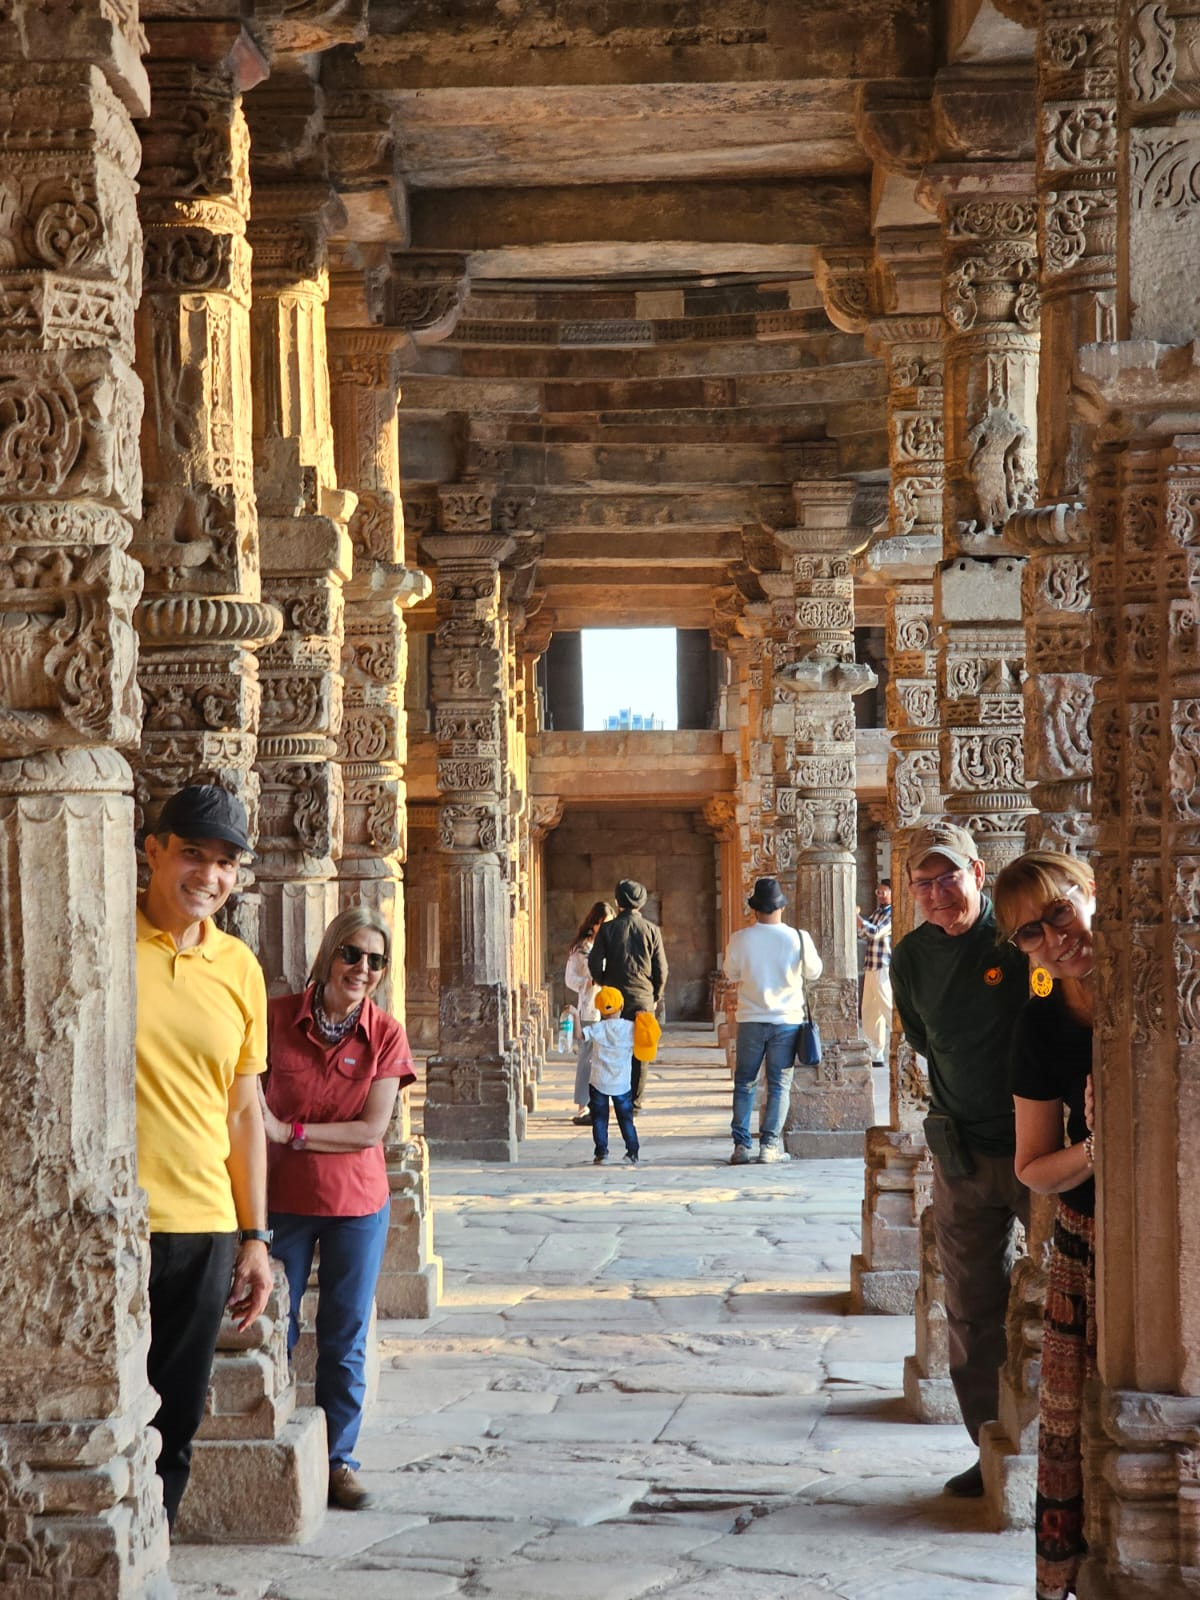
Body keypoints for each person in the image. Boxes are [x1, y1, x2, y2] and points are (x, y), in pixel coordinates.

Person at [135, 784, 274, 1530]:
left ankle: (151, 1552)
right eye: (193, 853)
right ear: (153, 851)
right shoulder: (102, 942)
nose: (209, 876)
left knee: (176, 1420)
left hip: (204, 1227)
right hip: (104, 1223)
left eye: (225, 862)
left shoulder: (238, 968)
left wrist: (256, 1237)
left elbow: (244, 1111)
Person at [258, 906, 416, 1511]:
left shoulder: (385, 1033)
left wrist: (290, 1132)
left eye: (375, 960)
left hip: (355, 1201)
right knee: (275, 1317)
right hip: (283, 1199)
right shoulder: (275, 1020)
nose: (363, 968)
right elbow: (251, 1104)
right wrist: (273, 1133)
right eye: (352, 954)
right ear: (329, 955)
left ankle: (337, 1461)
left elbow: (370, 1130)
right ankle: (277, 1432)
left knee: (344, 1332)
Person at [890, 820, 1031, 1497]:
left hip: (1042, 1146)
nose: (940, 892)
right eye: (926, 882)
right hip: (961, 1154)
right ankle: (990, 1443)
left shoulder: (1015, 938)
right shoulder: (911, 957)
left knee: (1073, 1294)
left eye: (951, 877)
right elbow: (923, 1037)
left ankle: (1064, 1446)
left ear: (979, 874)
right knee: (971, 1308)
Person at [994, 851, 1096, 1600]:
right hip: (1089, 1248)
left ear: (1092, 892)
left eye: (1060, 911)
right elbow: (1034, 1166)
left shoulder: (1167, 982)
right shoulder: (1042, 1025)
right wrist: (1098, 1147)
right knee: (1081, 1442)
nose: (1054, 938)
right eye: (1031, 933)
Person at [722, 875, 823, 1166]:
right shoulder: (798, 937)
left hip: (751, 1018)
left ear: (755, 909)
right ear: (781, 907)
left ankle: (741, 1146)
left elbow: (732, 973)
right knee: (779, 1084)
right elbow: (814, 972)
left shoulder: (740, 939)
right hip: (787, 1020)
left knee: (745, 1083)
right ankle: (769, 1146)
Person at [588, 878, 668, 1109]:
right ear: (641, 904)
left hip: (615, 998)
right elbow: (661, 968)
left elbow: (594, 961)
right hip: (643, 997)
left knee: (612, 1047)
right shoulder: (652, 930)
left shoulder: (608, 929)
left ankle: (612, 1095)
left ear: (618, 901)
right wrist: (655, 995)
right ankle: (634, 1102)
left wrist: (604, 982)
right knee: (640, 1050)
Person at [565, 900, 614, 1125]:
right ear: (594, 924)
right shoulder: (582, 949)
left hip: (611, 1009)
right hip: (590, 1009)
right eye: (603, 924)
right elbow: (570, 979)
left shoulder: (611, 945)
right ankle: (582, 1105)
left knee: (606, 1058)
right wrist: (589, 981)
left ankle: (603, 1102)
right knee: (587, 1060)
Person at [584, 986, 639, 1165]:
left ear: (599, 1009)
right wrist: (643, 1018)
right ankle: (632, 1152)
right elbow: (649, 1037)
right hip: (622, 1083)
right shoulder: (631, 1028)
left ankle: (602, 1153)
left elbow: (579, 1034)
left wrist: (576, 1017)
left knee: (599, 1118)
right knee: (626, 1119)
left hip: (599, 1080)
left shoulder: (598, 1028)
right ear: (622, 1006)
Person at [857, 878, 893, 1067]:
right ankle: (875, 1053)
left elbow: (876, 932)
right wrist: (860, 923)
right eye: (878, 891)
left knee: (887, 1006)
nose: (880, 895)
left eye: (884, 891)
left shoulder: (893, 914)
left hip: (883, 965)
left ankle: (905, 1042)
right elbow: (863, 933)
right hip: (871, 964)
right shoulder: (878, 912)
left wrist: (859, 920)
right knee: (870, 1011)